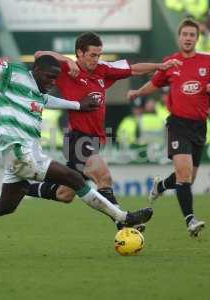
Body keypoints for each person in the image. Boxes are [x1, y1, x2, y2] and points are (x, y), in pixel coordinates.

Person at [0, 55, 153, 258]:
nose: (52, 81)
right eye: (49, 76)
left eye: (55, 78)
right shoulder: (14, 73)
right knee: (74, 179)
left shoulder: (36, 91)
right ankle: (123, 218)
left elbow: (45, 101)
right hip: (20, 151)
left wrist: (77, 105)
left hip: (23, 153)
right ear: (36, 70)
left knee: (6, 205)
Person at [24, 32, 180, 232]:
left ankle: (23, 188)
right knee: (103, 175)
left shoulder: (103, 70)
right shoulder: (66, 70)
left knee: (65, 194)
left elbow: (133, 69)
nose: (96, 59)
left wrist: (160, 66)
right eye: (92, 55)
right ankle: (122, 221)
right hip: (77, 139)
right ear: (79, 53)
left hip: (94, 141)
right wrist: (66, 60)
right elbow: (39, 55)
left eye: (99, 55)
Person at [127, 19, 210, 237]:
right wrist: (136, 93)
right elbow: (154, 83)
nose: (188, 38)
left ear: (197, 38)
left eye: (192, 35)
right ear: (179, 37)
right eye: (185, 34)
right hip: (178, 124)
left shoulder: (208, 62)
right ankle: (190, 220)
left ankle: (160, 186)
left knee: (188, 177)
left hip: (199, 126)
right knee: (184, 175)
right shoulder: (171, 62)